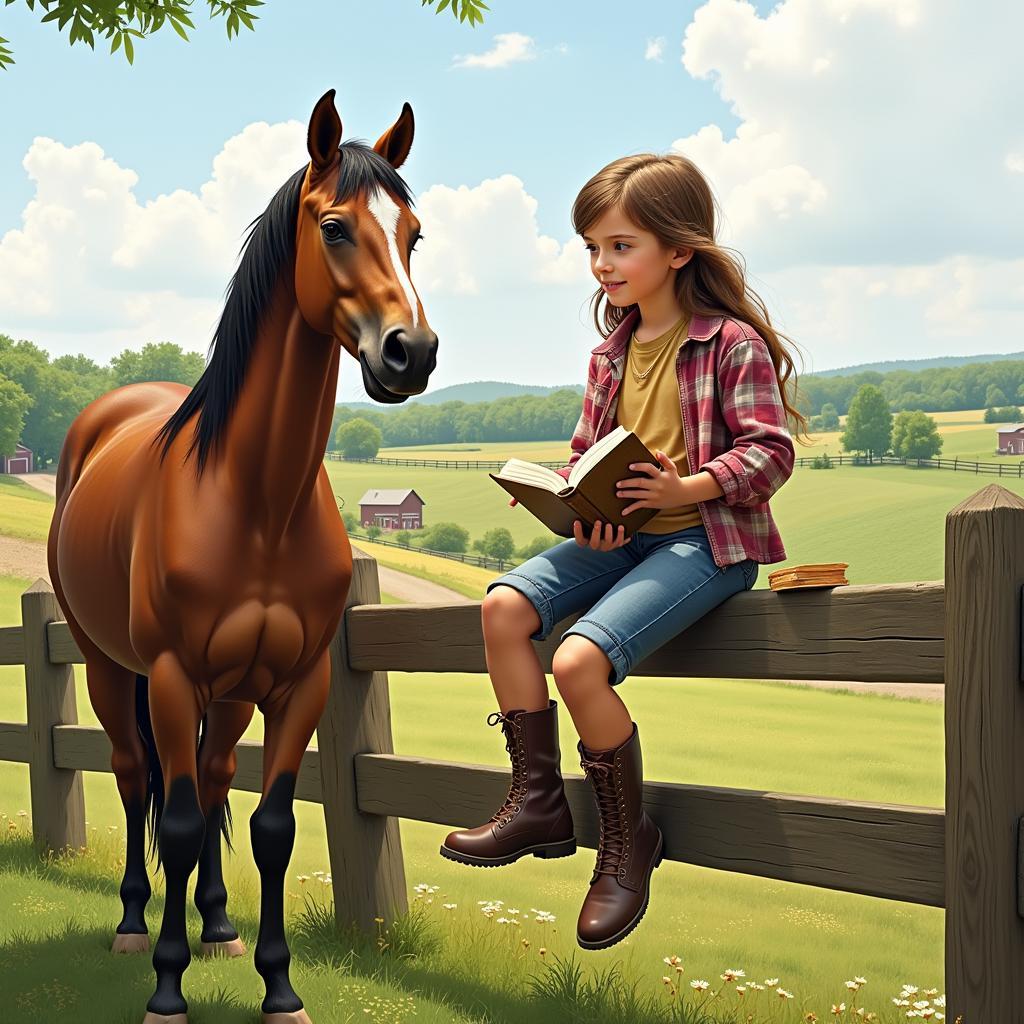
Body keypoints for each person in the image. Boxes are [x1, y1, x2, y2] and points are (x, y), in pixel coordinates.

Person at [439, 152, 810, 951]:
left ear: (679, 250)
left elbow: (771, 453)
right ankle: (535, 799)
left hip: (704, 543)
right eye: (592, 250)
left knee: (577, 662)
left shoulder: (729, 344)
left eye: (620, 246)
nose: (602, 266)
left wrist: (690, 490)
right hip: (620, 538)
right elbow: (587, 453)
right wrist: (570, 499)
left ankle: (623, 847)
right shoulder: (611, 353)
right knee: (503, 606)